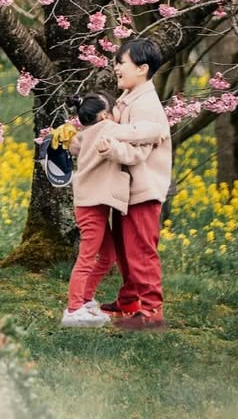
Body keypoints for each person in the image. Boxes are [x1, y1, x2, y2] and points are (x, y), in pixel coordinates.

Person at [97, 36, 172, 331]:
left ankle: (151, 311)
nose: (116, 67)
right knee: (125, 249)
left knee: (141, 250)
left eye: (121, 62)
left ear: (141, 68)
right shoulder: (130, 99)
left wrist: (113, 136)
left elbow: (146, 139)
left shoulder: (147, 104)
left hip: (143, 190)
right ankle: (129, 301)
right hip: (128, 191)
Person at [61, 91, 152, 327]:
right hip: (92, 206)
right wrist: (157, 135)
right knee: (87, 257)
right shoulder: (108, 128)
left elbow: (74, 147)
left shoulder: (84, 134)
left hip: (91, 204)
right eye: (116, 108)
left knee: (108, 255)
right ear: (105, 115)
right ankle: (73, 310)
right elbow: (136, 134)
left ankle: (85, 300)